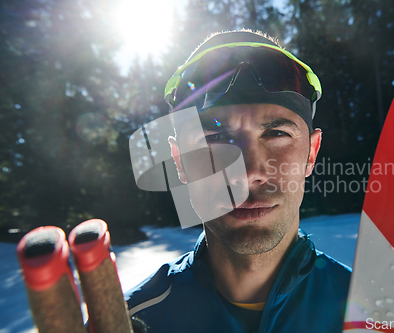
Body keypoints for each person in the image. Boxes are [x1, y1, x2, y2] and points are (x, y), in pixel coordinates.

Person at [125, 29, 351, 333]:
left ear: (311, 154)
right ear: (180, 161)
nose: (248, 172)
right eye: (215, 138)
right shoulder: (129, 322)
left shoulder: (373, 314)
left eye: (276, 134)